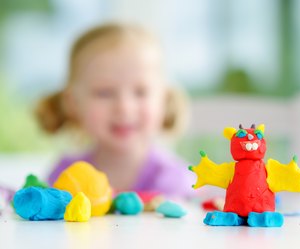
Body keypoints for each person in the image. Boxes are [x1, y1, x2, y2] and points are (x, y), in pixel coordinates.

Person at [35, 23, 193, 198]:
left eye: (140, 92)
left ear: (163, 99)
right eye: (104, 93)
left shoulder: (176, 183)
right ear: (73, 103)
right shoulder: (65, 176)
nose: (124, 107)